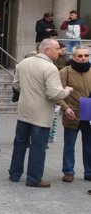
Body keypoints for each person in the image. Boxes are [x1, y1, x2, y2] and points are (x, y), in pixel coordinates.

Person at [10, 39, 71, 188]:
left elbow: (16, 85)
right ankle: (34, 178)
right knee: (38, 146)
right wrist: (67, 91)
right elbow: (54, 93)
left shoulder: (23, 63)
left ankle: (14, 173)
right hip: (41, 113)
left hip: (24, 110)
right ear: (47, 50)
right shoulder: (50, 68)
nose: (59, 51)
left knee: (20, 143)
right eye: (57, 48)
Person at [58, 45, 91, 183]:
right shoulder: (65, 71)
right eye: (80, 56)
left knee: (89, 145)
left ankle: (89, 172)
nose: (83, 58)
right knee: (69, 144)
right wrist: (65, 108)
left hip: (89, 115)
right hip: (72, 114)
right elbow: (58, 94)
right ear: (73, 57)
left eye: (86, 55)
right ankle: (68, 171)